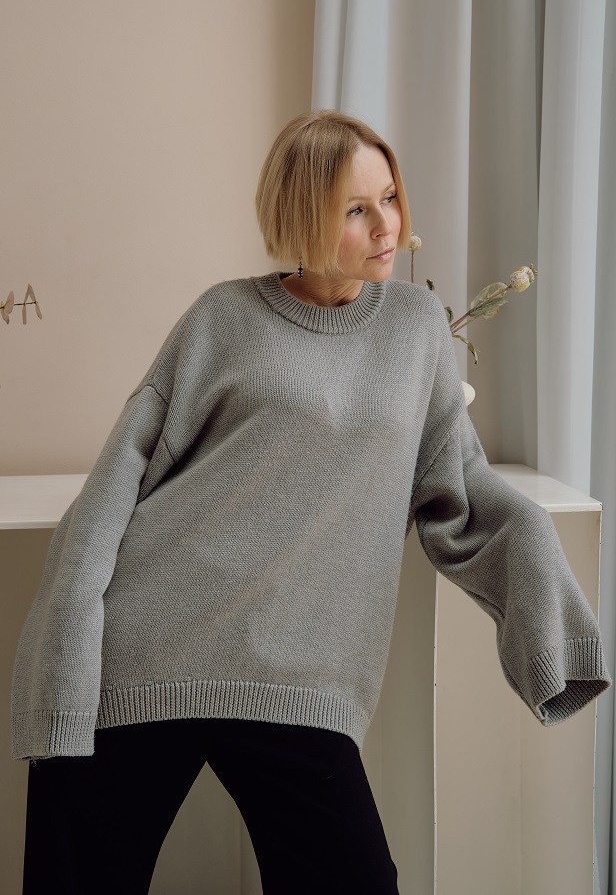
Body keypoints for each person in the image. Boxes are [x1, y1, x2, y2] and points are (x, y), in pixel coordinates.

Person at [12, 110, 611, 895]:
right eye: (357, 209)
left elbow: (459, 491)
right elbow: (116, 482)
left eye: (389, 197)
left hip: (300, 679)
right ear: (302, 215)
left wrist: (551, 631)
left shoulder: (416, 330)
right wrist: (65, 661)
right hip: (148, 647)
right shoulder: (223, 318)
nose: (386, 225)